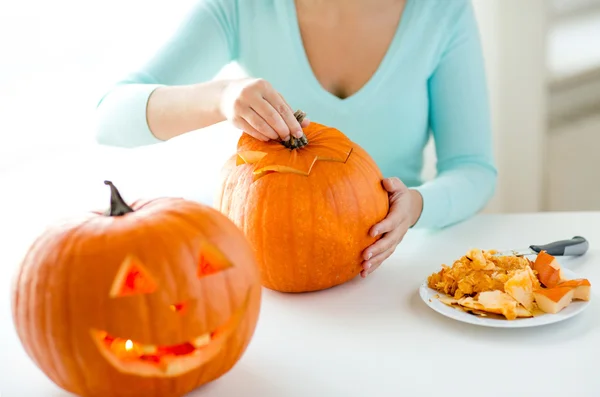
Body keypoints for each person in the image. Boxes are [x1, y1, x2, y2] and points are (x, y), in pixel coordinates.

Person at [95, 0, 497, 278]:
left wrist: (417, 206)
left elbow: (472, 169)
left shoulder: (442, 11)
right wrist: (220, 97)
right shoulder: (241, 8)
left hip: (387, 274)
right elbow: (109, 118)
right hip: (258, 275)